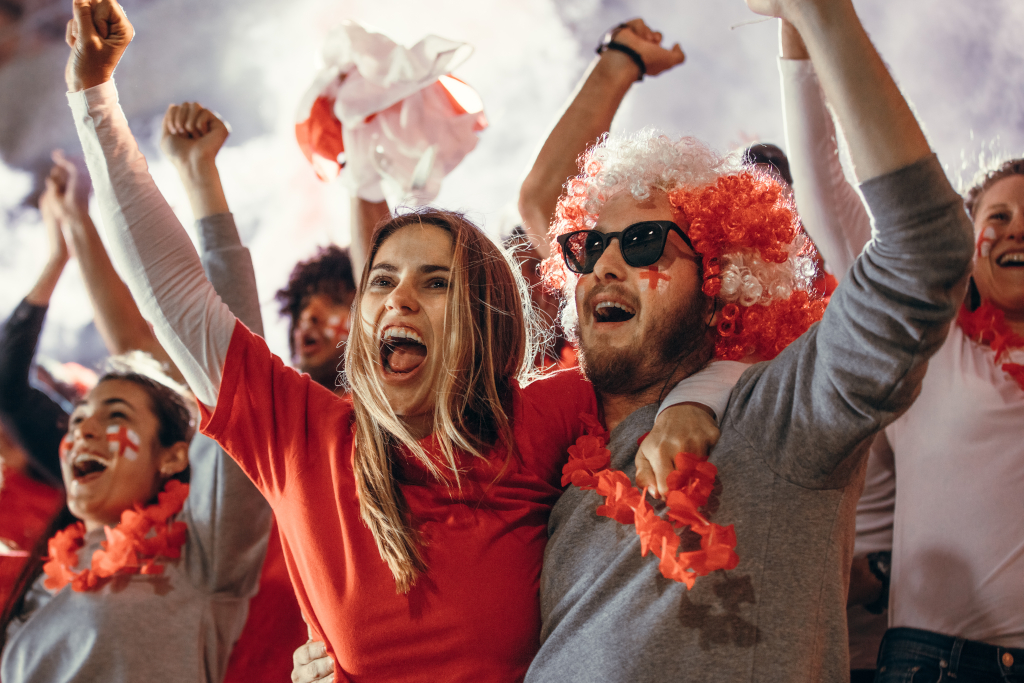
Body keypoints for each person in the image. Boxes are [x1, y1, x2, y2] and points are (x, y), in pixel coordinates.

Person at [62, 2, 722, 680]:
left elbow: (692, 349)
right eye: (380, 281)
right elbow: (170, 291)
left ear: (485, 320)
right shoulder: (303, 437)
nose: (399, 298)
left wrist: (689, 405)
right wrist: (92, 96)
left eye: (435, 283)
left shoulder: (542, 417)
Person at [518, 0, 975, 678]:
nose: (608, 263)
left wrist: (821, 16)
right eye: (589, 248)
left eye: (645, 242)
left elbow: (924, 251)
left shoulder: (778, 419)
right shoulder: (545, 449)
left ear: (718, 285)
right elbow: (543, 205)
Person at [779, 17, 1024, 681]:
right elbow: (828, 196)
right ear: (964, 251)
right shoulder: (932, 346)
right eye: (996, 216)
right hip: (934, 664)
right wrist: (798, 30)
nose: (1016, 230)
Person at [0, 102, 274, 680]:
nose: (83, 431)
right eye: (77, 422)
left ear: (176, 452)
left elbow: (231, 364)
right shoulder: (36, 580)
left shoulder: (200, 555)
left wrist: (202, 181)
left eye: (114, 413)